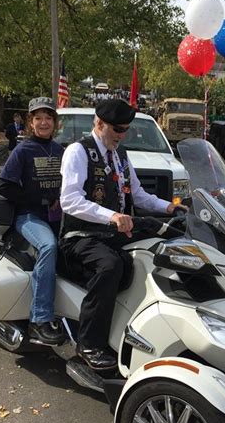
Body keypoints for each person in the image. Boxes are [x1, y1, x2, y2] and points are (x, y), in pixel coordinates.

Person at [59, 99, 185, 371]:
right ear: (99, 123)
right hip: (81, 235)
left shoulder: (120, 154)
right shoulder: (78, 152)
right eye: (117, 129)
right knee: (110, 266)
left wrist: (169, 207)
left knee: (167, 244)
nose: (122, 135)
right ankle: (89, 344)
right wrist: (112, 216)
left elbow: (137, 195)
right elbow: (69, 200)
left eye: (126, 129)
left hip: (114, 232)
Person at [0, 97, 65, 345]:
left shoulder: (61, 151)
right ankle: (40, 319)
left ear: (55, 123)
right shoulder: (23, 150)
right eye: (38, 118)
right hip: (29, 216)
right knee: (48, 246)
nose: (44, 122)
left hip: (58, 218)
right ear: (30, 122)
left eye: (48, 118)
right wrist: (41, 200)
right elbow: (5, 185)